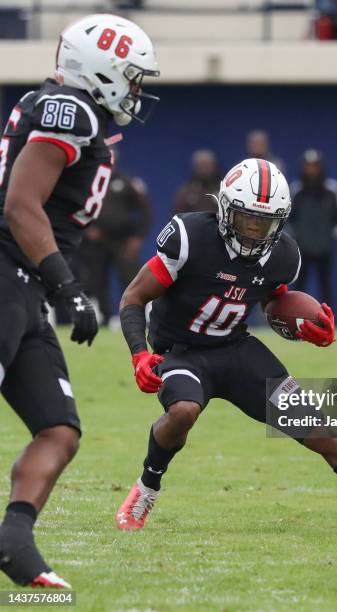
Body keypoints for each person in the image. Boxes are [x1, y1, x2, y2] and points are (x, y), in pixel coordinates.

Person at [115, 158, 337, 535]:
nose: (256, 230)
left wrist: (303, 326)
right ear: (226, 209)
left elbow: (271, 300)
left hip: (236, 350)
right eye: (247, 219)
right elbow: (133, 297)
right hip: (182, 350)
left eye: (266, 221)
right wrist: (139, 353)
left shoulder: (284, 255)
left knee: (322, 431)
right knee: (184, 411)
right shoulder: (189, 236)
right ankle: (146, 488)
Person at [0, 13, 159, 587]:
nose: (136, 90)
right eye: (131, 76)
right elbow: (21, 205)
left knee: (59, 429)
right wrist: (70, 286)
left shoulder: (72, 111)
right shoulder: (71, 109)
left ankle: (15, 543)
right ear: (103, 70)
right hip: (6, 273)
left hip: (24, 286)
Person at [75, 151, 152, 325]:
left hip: (122, 240)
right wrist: (88, 229)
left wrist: (138, 237)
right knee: (96, 280)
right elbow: (76, 207)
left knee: (131, 279)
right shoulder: (89, 183)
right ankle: (105, 318)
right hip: (97, 242)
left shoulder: (127, 182)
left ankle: (135, 317)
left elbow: (145, 210)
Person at [290, 149, 337, 309]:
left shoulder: (333, 190)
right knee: (299, 284)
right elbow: (288, 218)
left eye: (314, 166)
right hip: (301, 248)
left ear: (320, 167)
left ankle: (327, 319)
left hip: (325, 248)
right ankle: (295, 315)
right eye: (308, 166)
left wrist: (329, 236)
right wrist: (298, 237)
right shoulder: (296, 191)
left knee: (325, 284)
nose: (311, 170)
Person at [172, 149, 220, 214]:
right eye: (202, 166)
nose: (204, 169)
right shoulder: (186, 192)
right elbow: (176, 216)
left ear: (214, 166)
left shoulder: (222, 189)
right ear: (196, 167)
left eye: (207, 166)